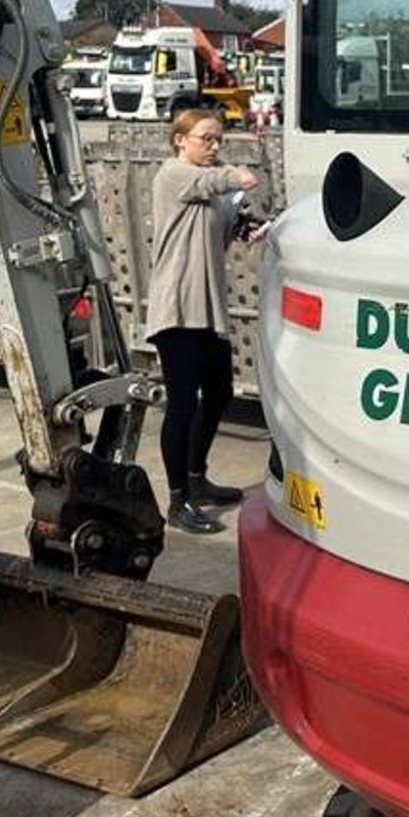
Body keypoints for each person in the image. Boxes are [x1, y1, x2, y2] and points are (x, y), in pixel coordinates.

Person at [145, 108, 261, 533]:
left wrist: (247, 228)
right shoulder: (172, 174)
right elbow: (214, 182)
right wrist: (237, 174)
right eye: (205, 139)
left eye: (218, 141)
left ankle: (198, 478)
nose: (213, 147)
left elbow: (221, 225)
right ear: (180, 140)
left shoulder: (207, 189)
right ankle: (178, 501)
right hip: (177, 306)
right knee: (182, 403)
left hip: (208, 307)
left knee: (219, 393)